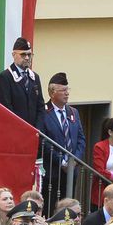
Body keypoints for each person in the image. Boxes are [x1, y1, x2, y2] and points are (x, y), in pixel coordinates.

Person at [40, 72, 85, 204]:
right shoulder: (44, 112)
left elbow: (81, 139)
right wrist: (62, 162)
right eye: (63, 90)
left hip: (71, 170)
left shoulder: (73, 112)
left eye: (68, 90)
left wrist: (75, 159)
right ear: (52, 93)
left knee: (68, 206)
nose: (67, 93)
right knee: (52, 206)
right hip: (52, 171)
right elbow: (44, 141)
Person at [0, 37, 43, 128]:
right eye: (23, 54)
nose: (27, 58)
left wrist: (38, 129)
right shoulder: (5, 77)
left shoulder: (35, 77)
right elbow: (6, 109)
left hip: (34, 132)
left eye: (29, 54)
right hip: (14, 131)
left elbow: (40, 107)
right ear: (14, 55)